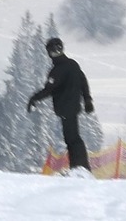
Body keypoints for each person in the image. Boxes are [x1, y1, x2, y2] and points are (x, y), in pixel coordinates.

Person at [26, 36, 95, 177]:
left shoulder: (58, 70)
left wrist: (34, 99)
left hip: (66, 108)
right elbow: (83, 82)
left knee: (72, 138)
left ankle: (80, 168)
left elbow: (49, 89)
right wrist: (87, 100)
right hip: (74, 106)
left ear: (50, 52)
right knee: (72, 137)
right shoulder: (73, 65)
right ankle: (79, 167)